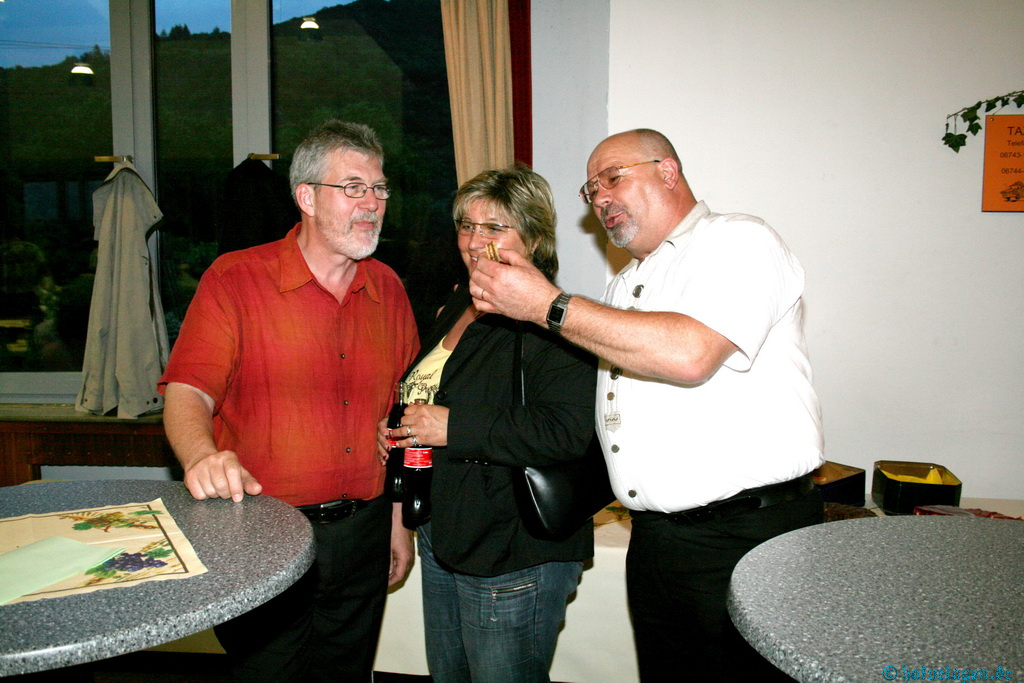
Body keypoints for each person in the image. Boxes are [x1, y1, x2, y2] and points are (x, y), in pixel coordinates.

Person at [468, 129, 824, 680]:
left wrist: (546, 304)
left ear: (668, 171)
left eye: (613, 178)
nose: (600, 198)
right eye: (591, 190)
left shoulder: (738, 240)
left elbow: (690, 354)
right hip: (658, 540)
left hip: (746, 536)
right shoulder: (624, 284)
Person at [158, 120, 419, 683]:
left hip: (365, 533)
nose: (372, 204)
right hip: (264, 532)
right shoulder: (235, 280)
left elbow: (402, 421)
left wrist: (401, 521)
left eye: (379, 188)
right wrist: (201, 456)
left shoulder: (390, 289)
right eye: (353, 187)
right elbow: (188, 390)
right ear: (306, 197)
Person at [380, 165, 596, 683]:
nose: (475, 241)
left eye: (495, 227)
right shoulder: (460, 303)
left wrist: (451, 426)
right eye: (467, 225)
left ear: (535, 239)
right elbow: (428, 399)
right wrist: (399, 432)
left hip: (512, 548)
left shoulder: (557, 320)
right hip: (444, 531)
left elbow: (567, 433)